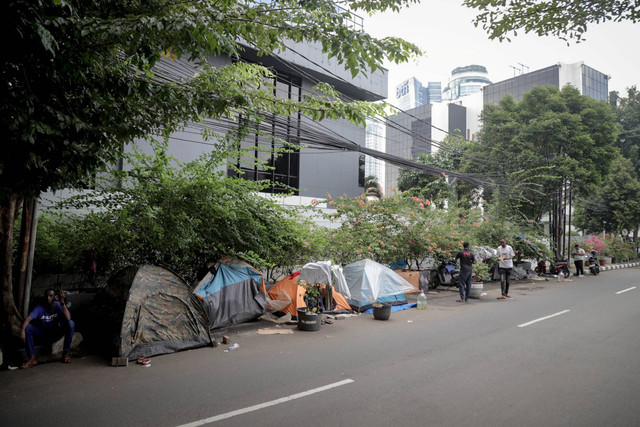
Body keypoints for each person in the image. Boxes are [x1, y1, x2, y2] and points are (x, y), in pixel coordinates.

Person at [19, 288, 75, 368]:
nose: (48, 298)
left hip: (56, 332)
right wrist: (22, 331)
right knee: (28, 327)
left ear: (54, 297)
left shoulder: (58, 305)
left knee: (71, 323)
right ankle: (32, 358)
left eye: (51, 296)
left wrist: (62, 302)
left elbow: (68, 318)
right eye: (47, 296)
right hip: (43, 333)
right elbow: (28, 319)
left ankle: (65, 353)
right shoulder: (40, 307)